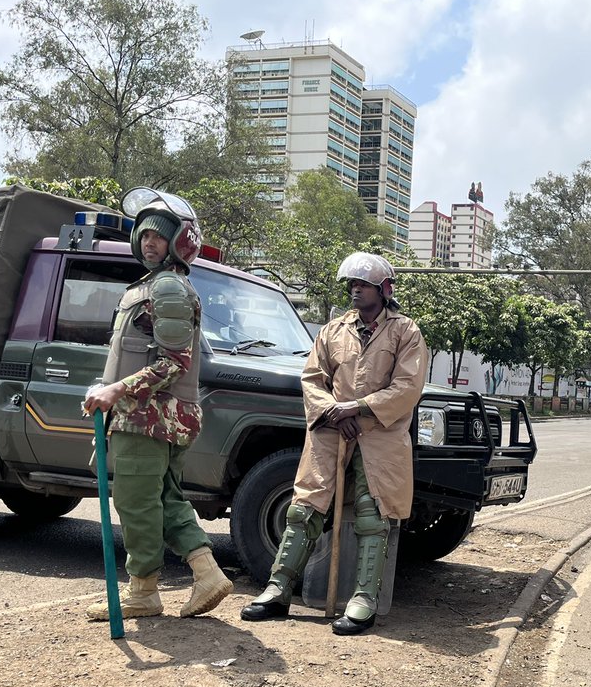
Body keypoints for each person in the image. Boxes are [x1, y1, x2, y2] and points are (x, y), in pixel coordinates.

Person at [241, 252, 426, 635]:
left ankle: (364, 600)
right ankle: (278, 589)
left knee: (373, 513)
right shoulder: (332, 330)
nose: (355, 290)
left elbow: (408, 387)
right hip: (330, 432)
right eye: (352, 284)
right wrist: (333, 412)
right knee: (305, 508)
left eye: (363, 284)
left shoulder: (406, 332)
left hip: (380, 436)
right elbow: (312, 378)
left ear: (384, 289)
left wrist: (356, 409)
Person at [83, 188, 232, 621]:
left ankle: (143, 593)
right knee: (164, 499)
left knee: (135, 503)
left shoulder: (166, 286)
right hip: (148, 416)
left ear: (179, 241)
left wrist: (116, 391)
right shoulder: (152, 285)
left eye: (159, 237)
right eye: (144, 235)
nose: (149, 242)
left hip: (150, 418)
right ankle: (206, 574)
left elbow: (174, 362)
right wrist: (109, 385)